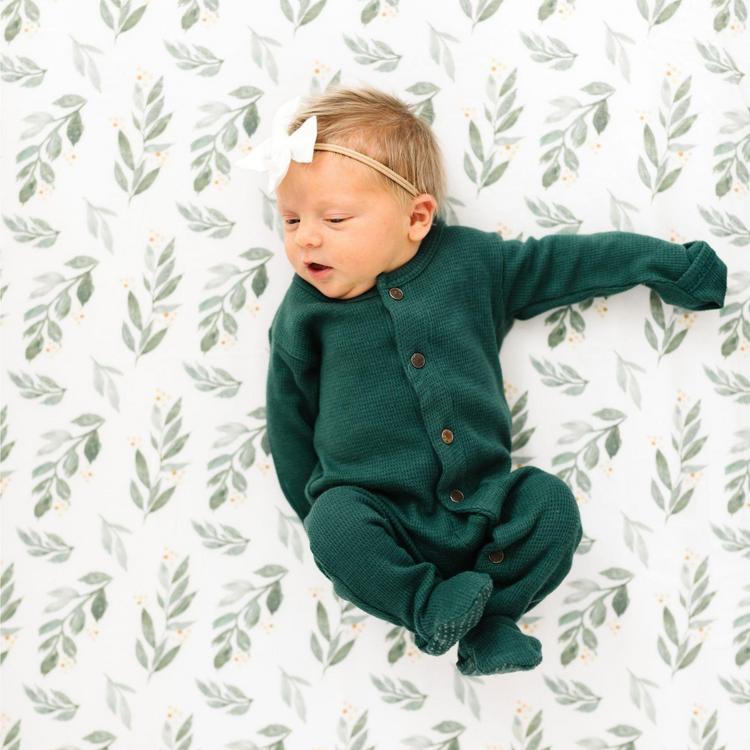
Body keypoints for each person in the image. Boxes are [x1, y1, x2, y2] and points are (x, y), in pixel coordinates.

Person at [237, 85, 728, 676]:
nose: (305, 238)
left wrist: (667, 264)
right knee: (333, 524)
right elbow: (288, 419)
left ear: (416, 217)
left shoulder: (470, 264)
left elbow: (569, 263)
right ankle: (426, 607)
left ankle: (491, 620)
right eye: (291, 220)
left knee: (549, 506)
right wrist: (318, 515)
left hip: (483, 504)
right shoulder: (303, 312)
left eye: (334, 219)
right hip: (375, 510)